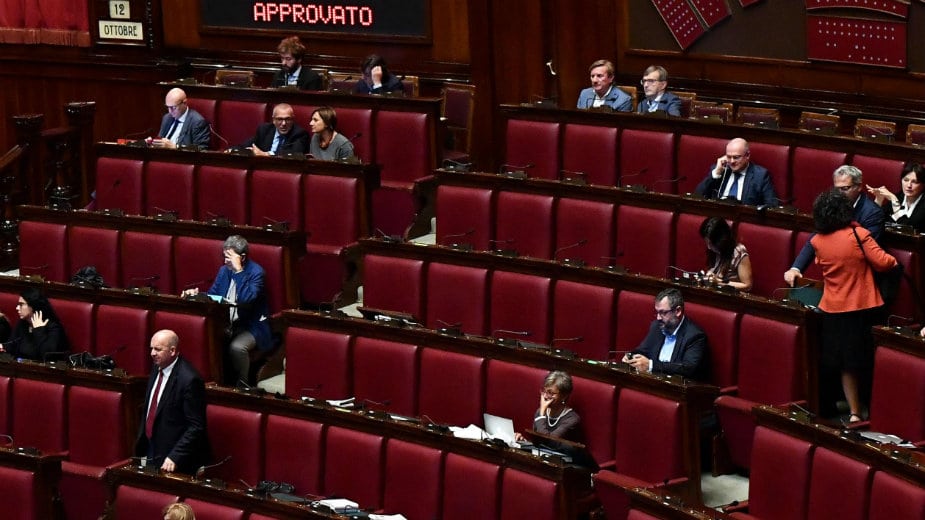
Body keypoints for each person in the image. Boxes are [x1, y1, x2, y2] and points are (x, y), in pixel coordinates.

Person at [808, 189, 896, 422]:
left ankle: (854, 412)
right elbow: (884, 263)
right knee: (865, 361)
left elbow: (819, 262)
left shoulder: (817, 240)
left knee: (844, 363)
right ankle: (869, 411)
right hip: (862, 307)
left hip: (832, 309)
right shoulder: (858, 235)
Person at [180, 235, 272, 385]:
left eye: (229, 257)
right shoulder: (224, 271)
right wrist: (198, 295)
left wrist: (239, 272)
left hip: (251, 326)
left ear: (242, 257)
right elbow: (214, 297)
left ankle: (243, 385)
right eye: (224, 257)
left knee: (237, 348)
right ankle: (217, 382)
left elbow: (246, 300)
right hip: (228, 325)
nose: (225, 261)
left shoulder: (256, 273)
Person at [785, 165, 886, 287]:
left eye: (845, 188)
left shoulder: (872, 212)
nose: (839, 194)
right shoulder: (832, 206)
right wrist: (796, 268)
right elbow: (816, 236)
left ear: (859, 187)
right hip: (835, 275)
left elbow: (867, 252)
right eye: (836, 189)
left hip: (861, 280)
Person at [135, 330, 209, 474]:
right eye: (151, 348)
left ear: (172, 350)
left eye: (158, 349)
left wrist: (175, 456)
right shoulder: (158, 367)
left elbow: (196, 426)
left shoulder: (190, 380)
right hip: (153, 447)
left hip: (174, 459)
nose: (152, 353)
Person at [623, 288, 709, 381]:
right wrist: (631, 356)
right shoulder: (657, 326)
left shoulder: (695, 336)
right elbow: (642, 350)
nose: (658, 317)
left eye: (663, 312)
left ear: (678, 311)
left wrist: (651, 365)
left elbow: (687, 368)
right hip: (652, 381)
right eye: (657, 312)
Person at [694, 138, 778, 206]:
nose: (732, 161)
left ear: (747, 155)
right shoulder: (720, 170)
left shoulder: (760, 175)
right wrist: (716, 173)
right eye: (729, 157)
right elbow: (697, 196)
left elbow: (772, 205)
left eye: (736, 157)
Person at [0, 288, 69, 361]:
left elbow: (48, 356)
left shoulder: (53, 328)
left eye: (21, 304)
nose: (17, 308)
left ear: (33, 305)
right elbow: (12, 345)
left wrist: (39, 330)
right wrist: (3, 346)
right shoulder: (23, 323)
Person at [514, 371, 581, 443]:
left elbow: (548, 442)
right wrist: (523, 441)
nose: (545, 396)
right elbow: (537, 444)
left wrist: (541, 415)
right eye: (544, 391)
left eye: (551, 393)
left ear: (564, 396)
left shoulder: (572, 419)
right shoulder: (540, 411)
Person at [866, 162, 925, 233]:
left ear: (923, 185)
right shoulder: (900, 196)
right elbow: (873, 221)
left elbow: (908, 229)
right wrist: (879, 199)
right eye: (906, 180)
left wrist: (894, 201)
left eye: (915, 182)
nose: (909, 185)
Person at [699, 217, 753, 292]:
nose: (709, 247)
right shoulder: (713, 251)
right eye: (706, 242)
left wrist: (719, 283)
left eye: (711, 244)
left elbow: (747, 285)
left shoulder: (738, 252)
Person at [238, 103, 309, 156]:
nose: (283, 123)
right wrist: (232, 150)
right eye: (279, 119)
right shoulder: (264, 129)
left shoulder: (300, 134)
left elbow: (294, 153)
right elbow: (247, 144)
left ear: (293, 119)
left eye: (287, 119)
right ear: (273, 120)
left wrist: (266, 154)